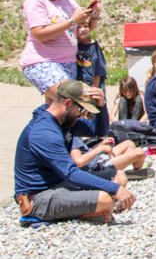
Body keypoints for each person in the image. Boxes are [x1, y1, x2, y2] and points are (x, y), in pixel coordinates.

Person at [14, 80, 135, 225]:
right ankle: (91, 211)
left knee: (119, 176)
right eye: (81, 109)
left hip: (60, 183)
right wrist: (114, 190)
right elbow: (71, 173)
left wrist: (102, 106)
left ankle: (92, 210)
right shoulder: (44, 132)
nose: (83, 115)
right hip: (39, 197)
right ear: (67, 103)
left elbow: (99, 131)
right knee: (105, 199)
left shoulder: (63, 121)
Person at [20, 0, 101, 104]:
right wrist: (71, 20)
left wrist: (93, 15)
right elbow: (39, 33)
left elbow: (84, 29)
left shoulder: (68, 1)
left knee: (57, 110)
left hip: (68, 62)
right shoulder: (36, 0)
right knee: (73, 99)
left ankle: (41, 125)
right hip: (43, 61)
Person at [70, 135, 149, 180]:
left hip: (97, 158)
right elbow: (79, 161)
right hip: (98, 166)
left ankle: (123, 167)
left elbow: (85, 153)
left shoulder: (74, 132)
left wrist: (101, 145)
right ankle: (136, 172)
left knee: (129, 144)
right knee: (140, 153)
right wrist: (100, 149)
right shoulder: (73, 136)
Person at [75, 24, 107, 92]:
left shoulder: (93, 47)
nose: (83, 29)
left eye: (85, 26)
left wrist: (94, 88)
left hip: (92, 85)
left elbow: (98, 70)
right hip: (79, 85)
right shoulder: (74, 45)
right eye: (79, 27)